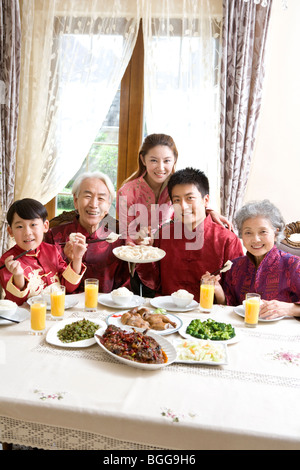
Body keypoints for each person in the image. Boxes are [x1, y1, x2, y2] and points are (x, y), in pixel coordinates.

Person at [135, 167, 244, 302]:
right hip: (168, 312)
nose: (183, 206)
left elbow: (237, 294)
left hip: (207, 315)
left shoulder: (228, 240)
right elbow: (152, 281)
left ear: (206, 200)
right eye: (176, 200)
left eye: (190, 198)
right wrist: (145, 252)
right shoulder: (164, 234)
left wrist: (217, 290)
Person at [116, 133, 233, 242]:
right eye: (153, 160)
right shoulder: (127, 192)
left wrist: (210, 212)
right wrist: (137, 240)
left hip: (174, 250)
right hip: (139, 256)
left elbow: (193, 203)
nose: (161, 168)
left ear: (175, 160)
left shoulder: (179, 186)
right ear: (143, 159)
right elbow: (126, 234)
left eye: (167, 160)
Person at [203, 200, 300, 318]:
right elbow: (231, 308)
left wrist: (289, 308)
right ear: (241, 235)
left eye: (263, 232)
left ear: (275, 233)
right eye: (248, 232)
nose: (255, 239)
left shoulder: (293, 265)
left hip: (281, 333)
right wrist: (219, 292)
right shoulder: (235, 267)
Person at [44, 171, 130, 293]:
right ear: (75, 200)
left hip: (107, 308)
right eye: (88, 196)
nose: (94, 204)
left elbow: (125, 285)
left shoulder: (118, 240)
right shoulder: (54, 236)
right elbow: (47, 281)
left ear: (108, 205)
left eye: (101, 198)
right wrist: (68, 260)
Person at [0, 198, 87, 305]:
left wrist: (77, 258)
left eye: (33, 225)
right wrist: (18, 276)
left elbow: (68, 288)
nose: (27, 232)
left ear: (45, 226)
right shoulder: (8, 261)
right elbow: (15, 303)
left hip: (56, 310)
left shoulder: (52, 250)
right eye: (19, 226)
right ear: (10, 231)